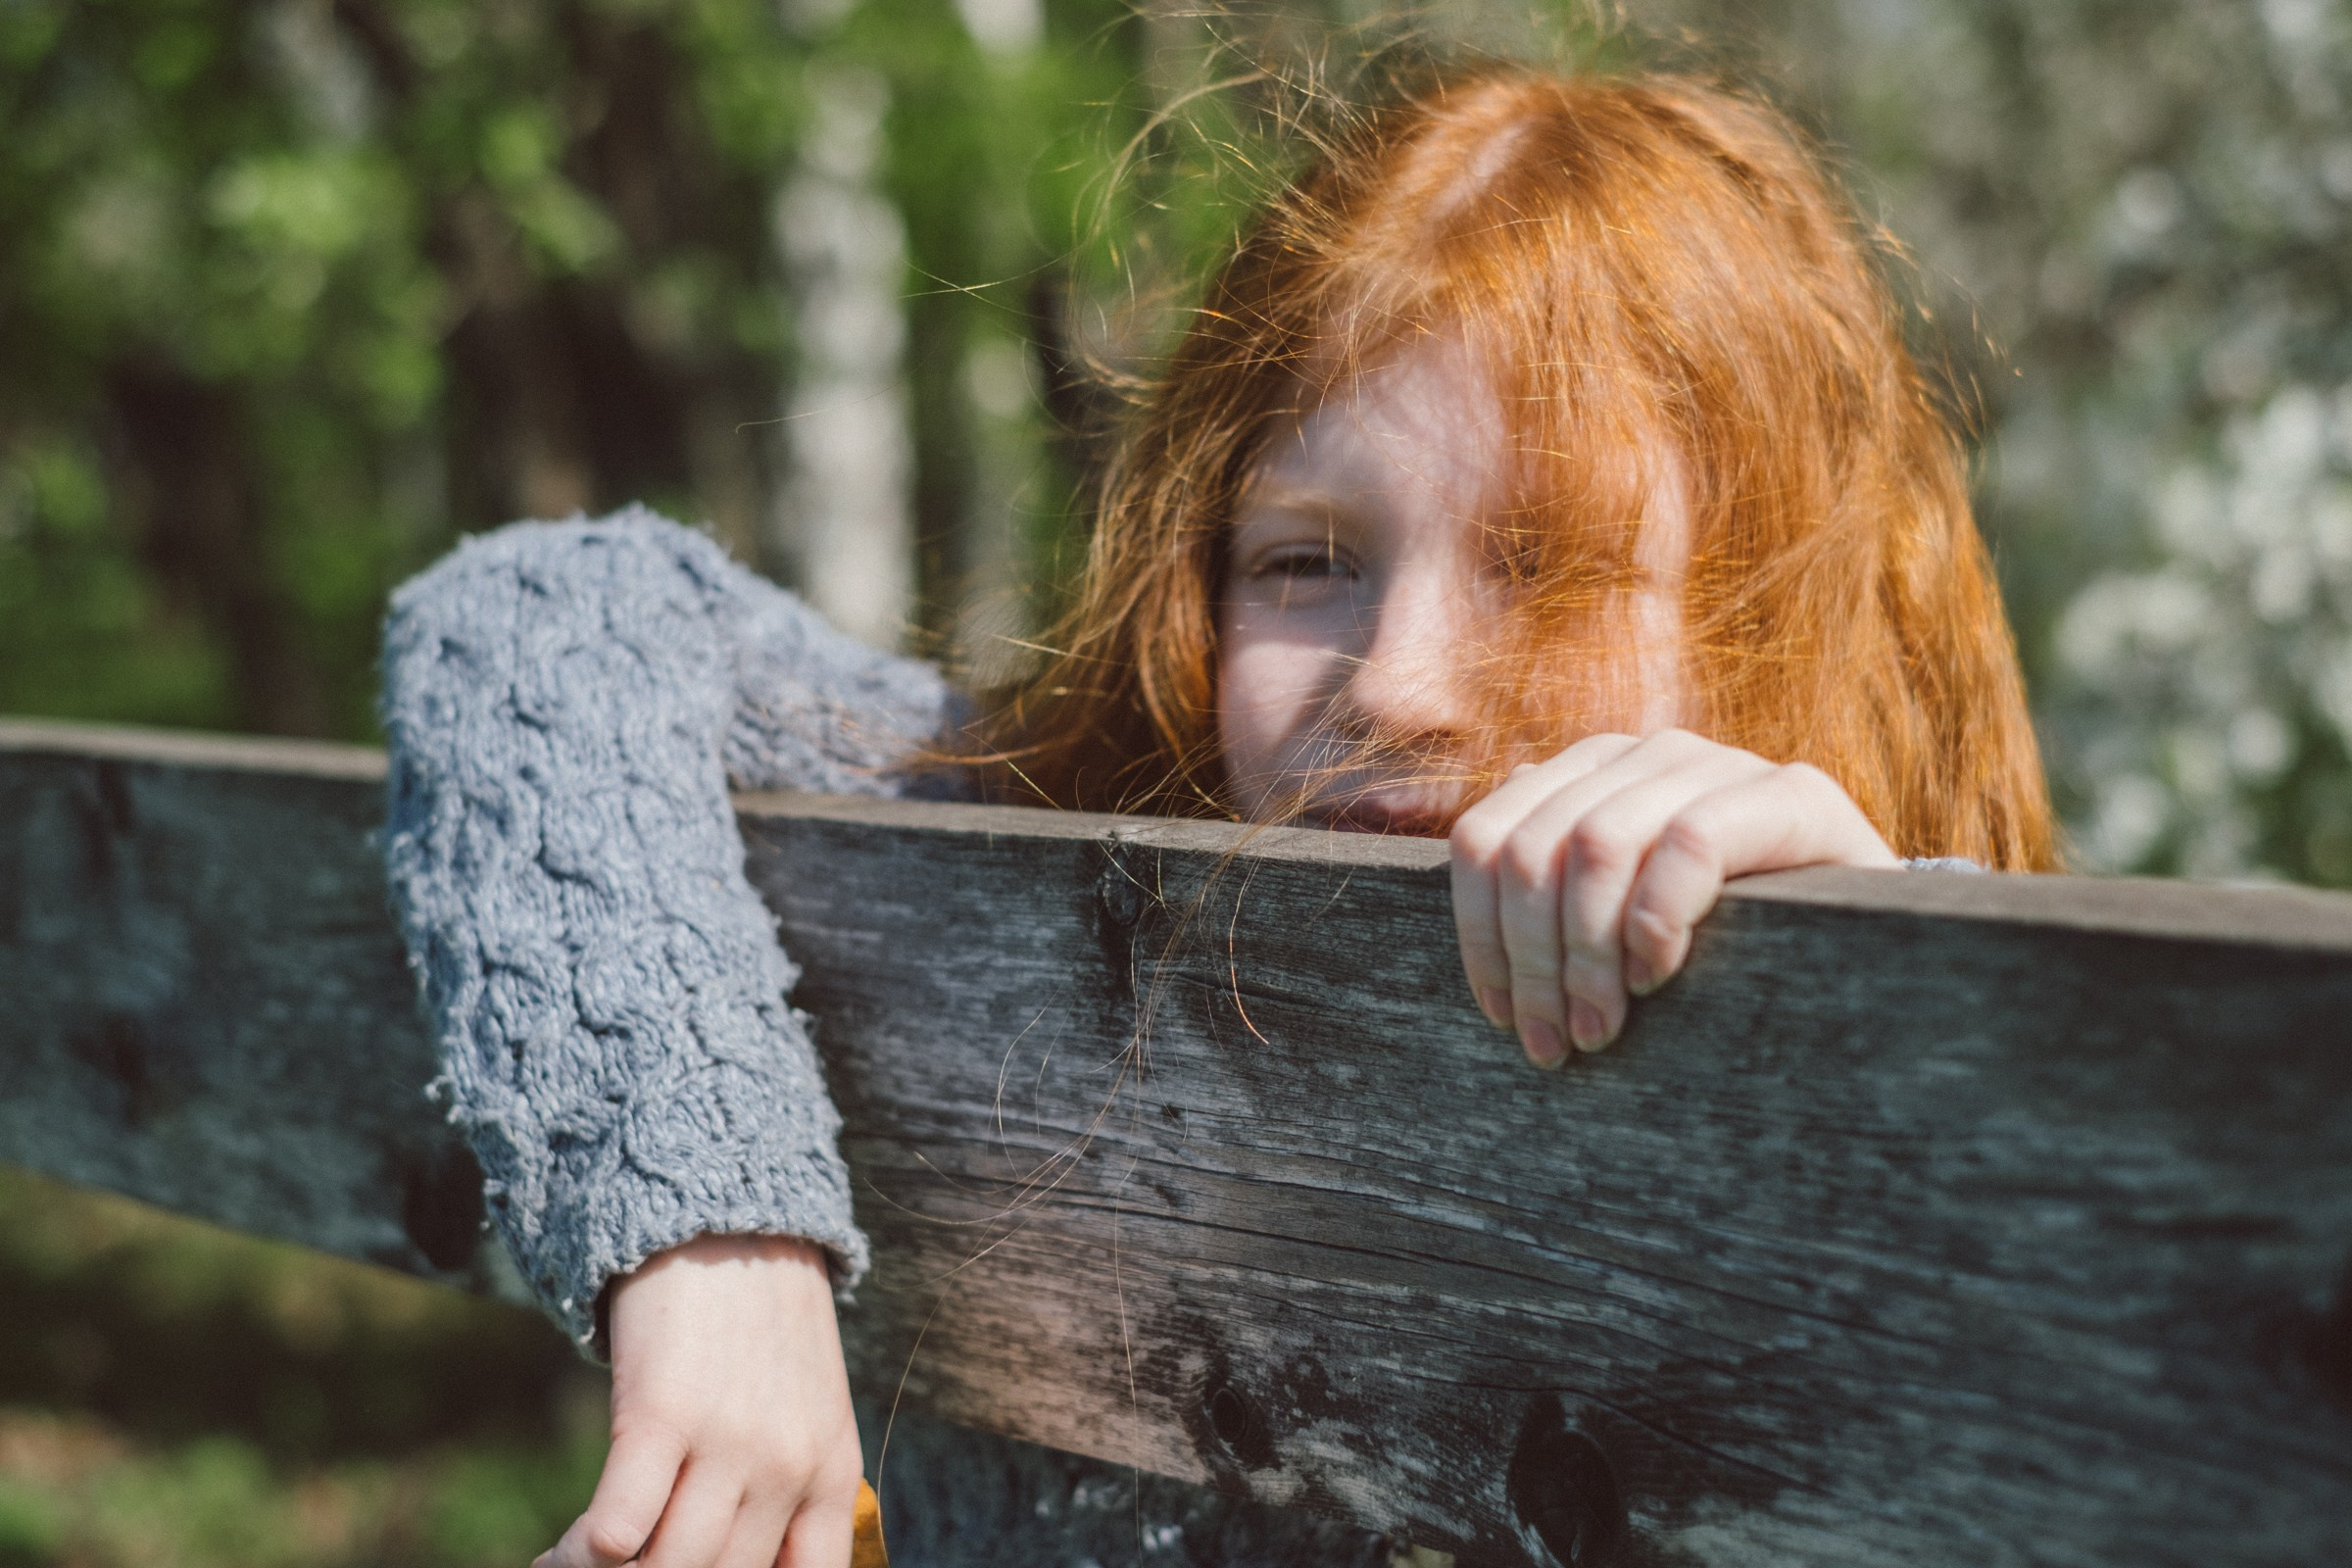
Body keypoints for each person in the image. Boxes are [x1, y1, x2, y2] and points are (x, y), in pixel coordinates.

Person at [380, 66, 2055, 1568]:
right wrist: (715, 1248)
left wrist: (1883, 1009)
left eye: (1545, 566)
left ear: (1776, 619)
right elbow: (535, 616)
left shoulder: (1890, 975)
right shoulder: (1101, 848)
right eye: (1306, 561)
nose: (1401, 684)